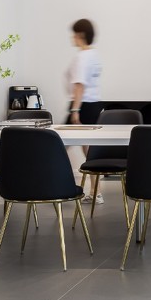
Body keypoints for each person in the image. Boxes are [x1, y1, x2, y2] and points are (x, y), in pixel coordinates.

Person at [65, 18, 103, 202]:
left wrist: (75, 110)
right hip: (92, 104)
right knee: (88, 150)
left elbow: (79, 85)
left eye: (74, 33)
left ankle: (57, 186)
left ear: (80, 34)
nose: (72, 37)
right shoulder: (93, 55)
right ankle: (96, 192)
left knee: (58, 145)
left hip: (82, 106)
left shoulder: (82, 57)